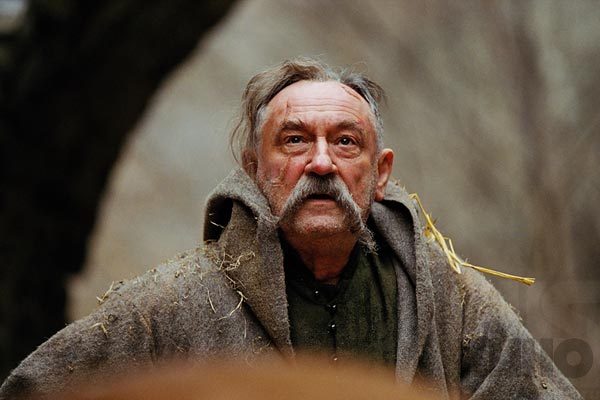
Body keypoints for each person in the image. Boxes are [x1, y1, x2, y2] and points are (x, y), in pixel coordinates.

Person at [0, 58, 581, 399]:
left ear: (380, 173)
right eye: (295, 140)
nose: (321, 163)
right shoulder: (172, 305)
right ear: (256, 169)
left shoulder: (450, 300)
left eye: (345, 142)